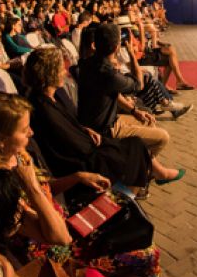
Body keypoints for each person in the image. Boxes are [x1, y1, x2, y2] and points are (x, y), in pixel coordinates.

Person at [0, 92, 163, 277]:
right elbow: (60, 238)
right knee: (148, 255)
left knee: (121, 206)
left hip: (65, 223)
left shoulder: (18, 156)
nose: (31, 132)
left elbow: (46, 189)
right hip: (56, 253)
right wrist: (31, 186)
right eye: (23, 130)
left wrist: (77, 177)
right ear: (1, 140)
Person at [25, 47, 184, 189]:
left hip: (86, 140)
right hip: (81, 159)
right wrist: (99, 144)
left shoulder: (56, 94)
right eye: (60, 69)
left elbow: (70, 123)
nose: (64, 72)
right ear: (50, 73)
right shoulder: (43, 107)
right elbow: (68, 140)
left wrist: (85, 130)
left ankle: (150, 175)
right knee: (134, 147)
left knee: (135, 144)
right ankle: (143, 183)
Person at [78, 24, 172, 158]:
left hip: (100, 122)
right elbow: (139, 85)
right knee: (163, 137)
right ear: (117, 47)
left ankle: (146, 165)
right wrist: (131, 54)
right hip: (106, 129)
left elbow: (113, 94)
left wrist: (134, 111)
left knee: (148, 121)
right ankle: (138, 166)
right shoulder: (108, 73)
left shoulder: (87, 64)